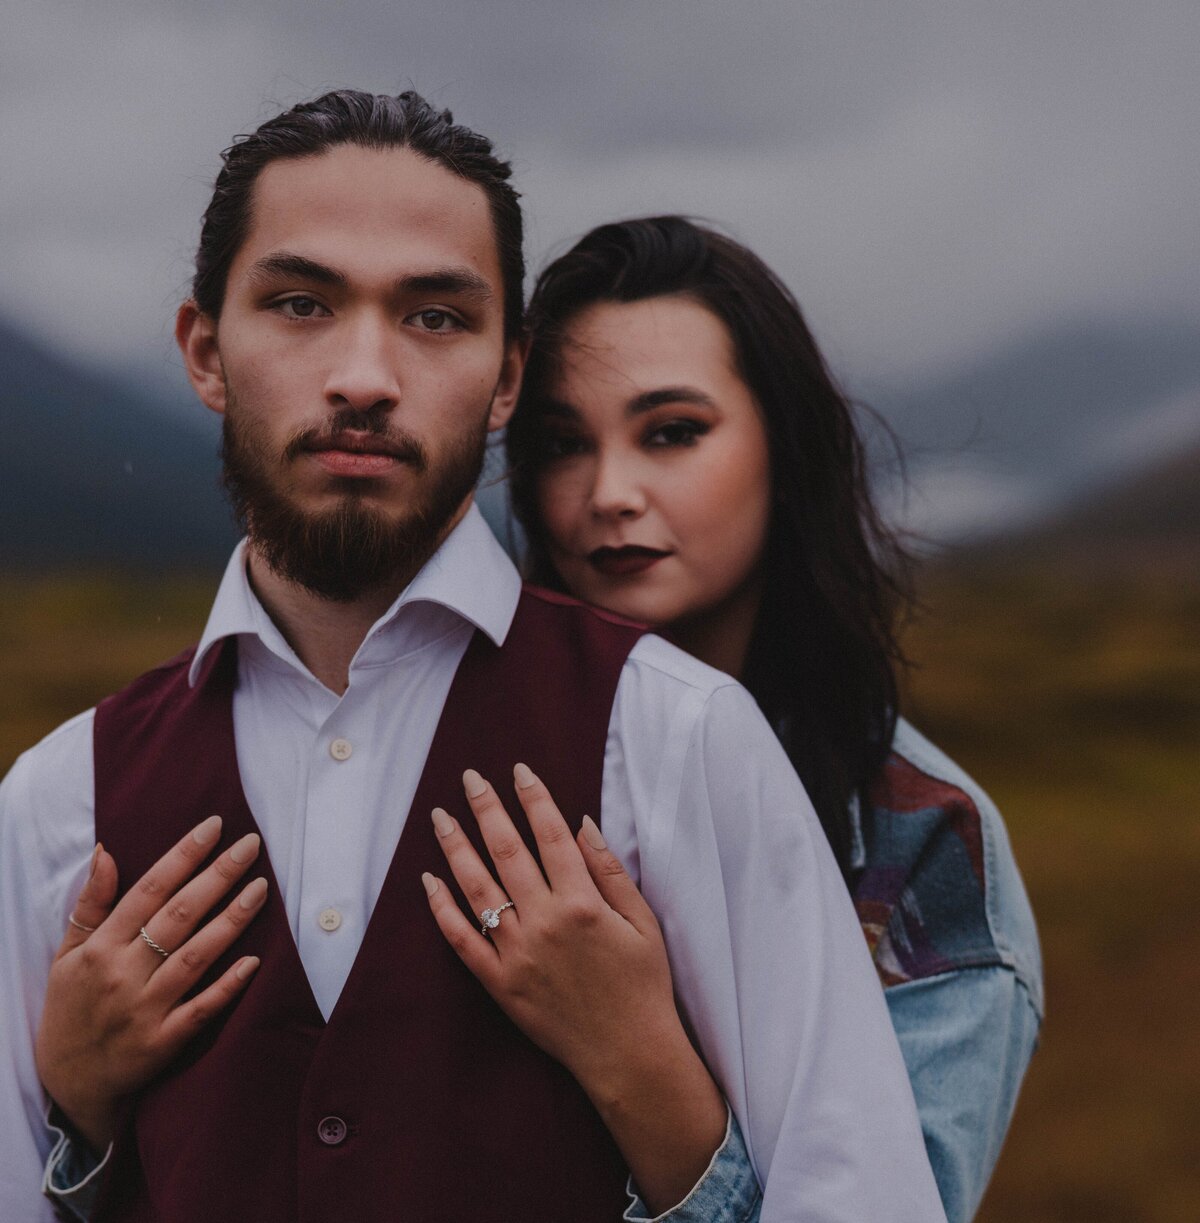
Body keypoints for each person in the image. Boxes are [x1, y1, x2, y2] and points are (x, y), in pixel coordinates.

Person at [0, 91, 946, 1223]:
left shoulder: (679, 738)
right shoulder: (59, 803)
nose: (363, 376)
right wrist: (84, 1130)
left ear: (506, 377)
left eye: (435, 316)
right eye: (301, 303)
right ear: (206, 349)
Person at [496, 215, 1044, 1222]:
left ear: (782, 448)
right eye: (564, 444)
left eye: (671, 431)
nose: (610, 493)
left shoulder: (919, 850)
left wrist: (635, 1059)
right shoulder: (473, 769)